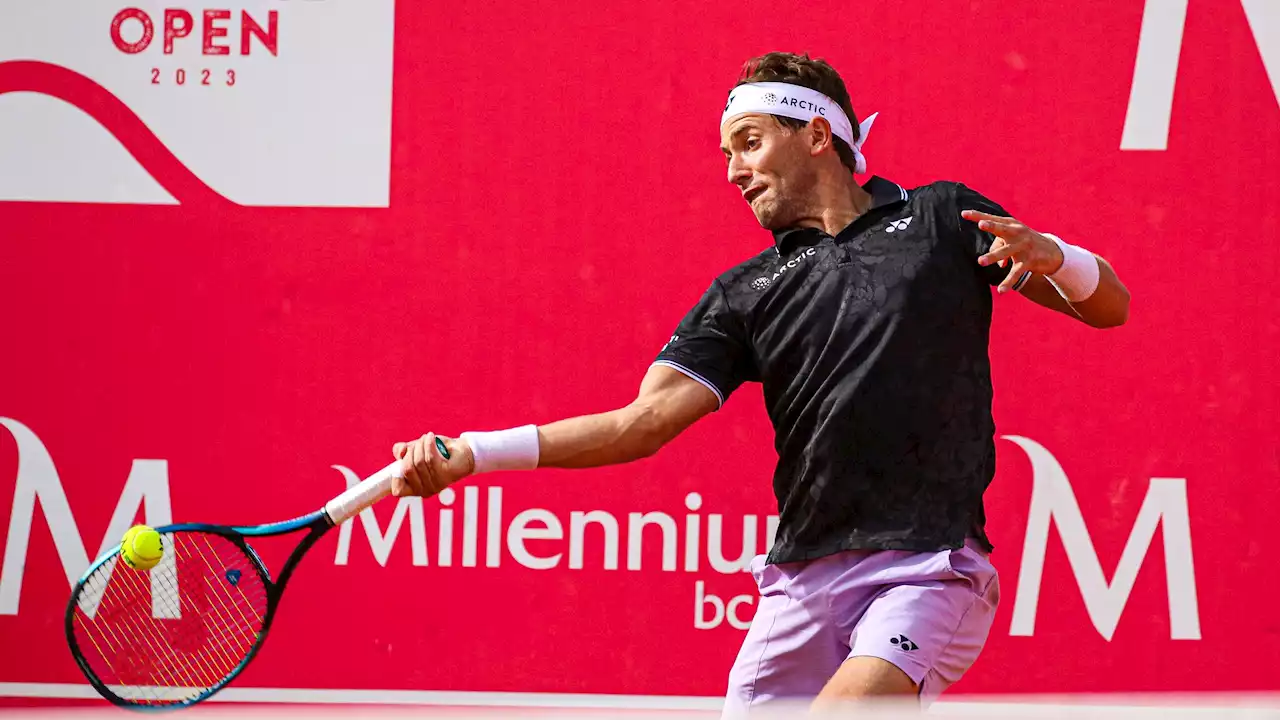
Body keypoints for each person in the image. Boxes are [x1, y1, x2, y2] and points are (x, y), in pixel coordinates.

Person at [387, 52, 1130, 714]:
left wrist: (1056, 255)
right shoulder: (746, 292)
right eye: (726, 153)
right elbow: (636, 425)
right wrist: (471, 455)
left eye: (749, 143)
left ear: (816, 136)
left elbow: (1110, 307)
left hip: (926, 567)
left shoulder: (941, 217)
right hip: (799, 584)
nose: (734, 171)